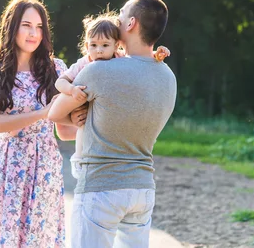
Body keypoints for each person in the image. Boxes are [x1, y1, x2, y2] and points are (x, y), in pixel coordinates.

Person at [49, 0, 177, 248]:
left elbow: (54, 113)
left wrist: (75, 117)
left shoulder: (99, 71)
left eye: (120, 16)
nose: (115, 21)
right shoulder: (168, 77)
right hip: (142, 189)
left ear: (131, 24)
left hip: (101, 186)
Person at [0, 0, 78, 247]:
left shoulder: (56, 69)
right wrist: (43, 113)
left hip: (44, 163)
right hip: (7, 162)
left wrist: (89, 121)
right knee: (4, 236)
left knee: (39, 236)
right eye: (26, 25)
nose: (34, 33)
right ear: (12, 27)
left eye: (39, 27)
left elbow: (64, 131)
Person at [54, 12, 170, 180]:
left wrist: (157, 56)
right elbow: (60, 82)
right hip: (85, 111)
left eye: (104, 45)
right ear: (87, 46)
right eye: (93, 45)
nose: (98, 50)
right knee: (82, 133)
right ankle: (79, 160)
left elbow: (142, 59)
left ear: (116, 46)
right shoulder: (84, 63)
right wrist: (72, 90)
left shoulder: (120, 58)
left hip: (108, 113)